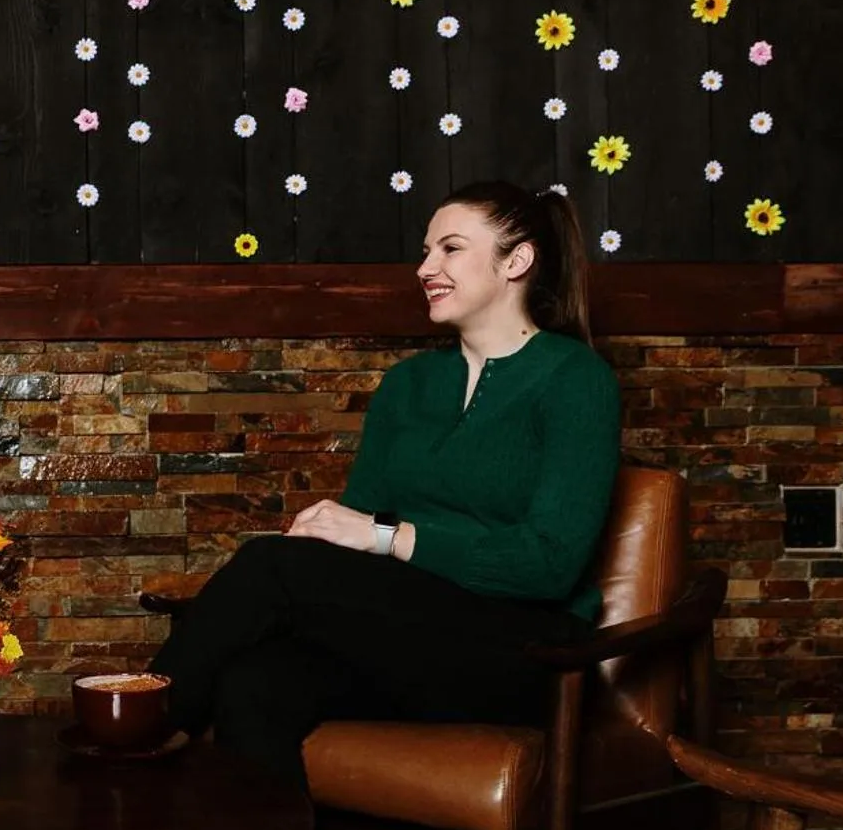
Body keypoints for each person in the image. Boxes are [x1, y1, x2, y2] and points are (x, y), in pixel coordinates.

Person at [149, 182, 620, 783]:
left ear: (516, 261)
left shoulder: (576, 380)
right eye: (425, 252)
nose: (426, 268)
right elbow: (359, 525)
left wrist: (389, 537)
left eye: (450, 249)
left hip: (528, 652)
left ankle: (137, 722)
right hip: (412, 638)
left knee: (271, 566)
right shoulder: (408, 386)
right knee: (254, 683)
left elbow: (549, 565)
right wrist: (330, 541)